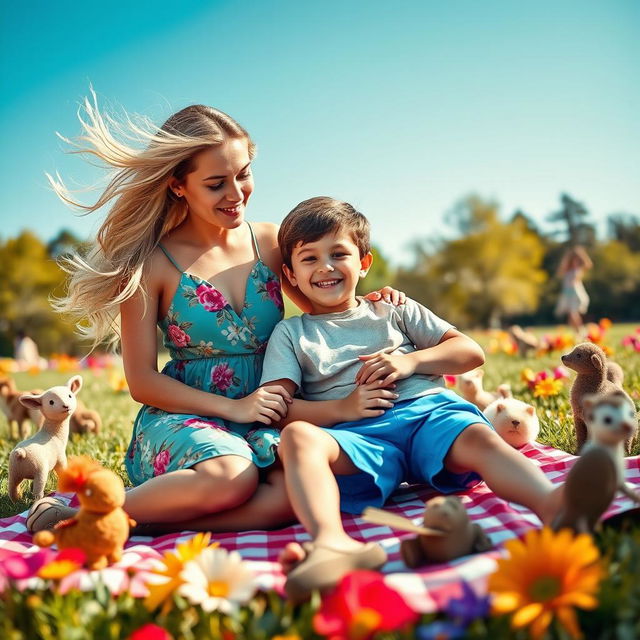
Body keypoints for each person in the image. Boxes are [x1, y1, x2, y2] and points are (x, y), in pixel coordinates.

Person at [26, 93, 403, 534]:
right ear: (178, 185)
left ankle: (147, 522)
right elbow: (142, 382)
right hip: (188, 416)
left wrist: (376, 304)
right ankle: (88, 516)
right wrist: (233, 407)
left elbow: (326, 308)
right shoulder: (152, 266)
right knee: (233, 477)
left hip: (270, 410)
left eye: (243, 175)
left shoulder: (271, 241)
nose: (235, 193)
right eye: (216, 183)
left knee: (293, 492)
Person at [259, 197, 567, 600]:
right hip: (359, 439)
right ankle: (332, 543)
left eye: (339, 254)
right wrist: (341, 409)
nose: (326, 267)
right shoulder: (291, 334)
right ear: (291, 274)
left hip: (428, 416)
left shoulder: (392, 309)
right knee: (299, 436)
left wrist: (411, 363)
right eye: (310, 258)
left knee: (477, 435)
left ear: (364, 262)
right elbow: (277, 408)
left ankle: (554, 506)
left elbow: (470, 352)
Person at [555, 245, 593, 334]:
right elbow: (560, 270)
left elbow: (588, 264)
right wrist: (568, 255)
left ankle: (581, 331)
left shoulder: (578, 269)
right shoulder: (567, 270)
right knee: (570, 317)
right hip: (567, 294)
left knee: (573, 313)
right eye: (573, 259)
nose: (575, 261)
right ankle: (578, 333)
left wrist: (582, 254)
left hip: (575, 293)